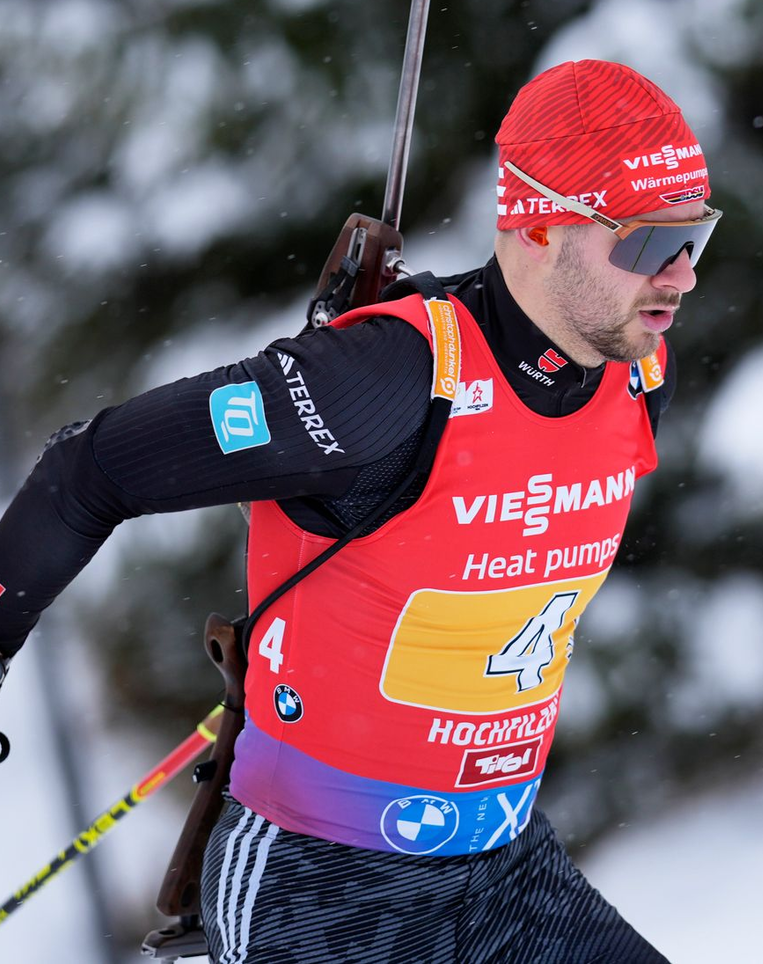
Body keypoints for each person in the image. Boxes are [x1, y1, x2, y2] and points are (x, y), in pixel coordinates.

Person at [0, 58, 720, 963]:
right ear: (539, 221)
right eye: (650, 244)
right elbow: (92, 467)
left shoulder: (639, 369)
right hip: (321, 885)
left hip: (502, 870)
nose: (683, 277)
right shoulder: (385, 380)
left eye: (696, 239)